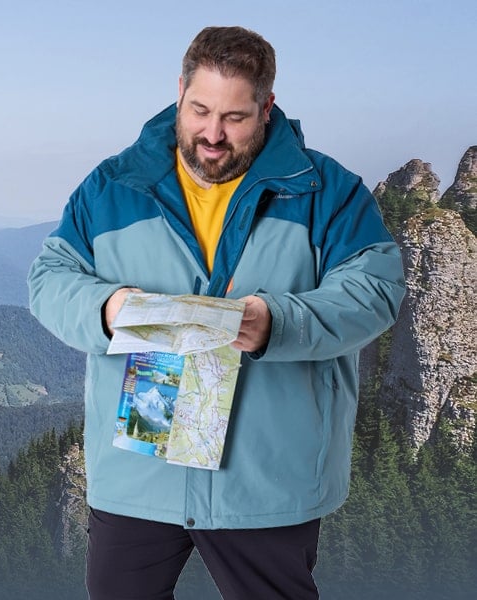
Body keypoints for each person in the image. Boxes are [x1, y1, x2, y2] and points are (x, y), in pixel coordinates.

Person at [27, 26, 406, 599]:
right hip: (139, 473)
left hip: (268, 478)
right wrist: (107, 310)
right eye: (200, 109)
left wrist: (278, 323)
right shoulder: (111, 187)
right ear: (179, 91)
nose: (212, 133)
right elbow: (48, 279)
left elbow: (376, 290)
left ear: (267, 107)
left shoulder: (329, 191)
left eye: (234, 118)